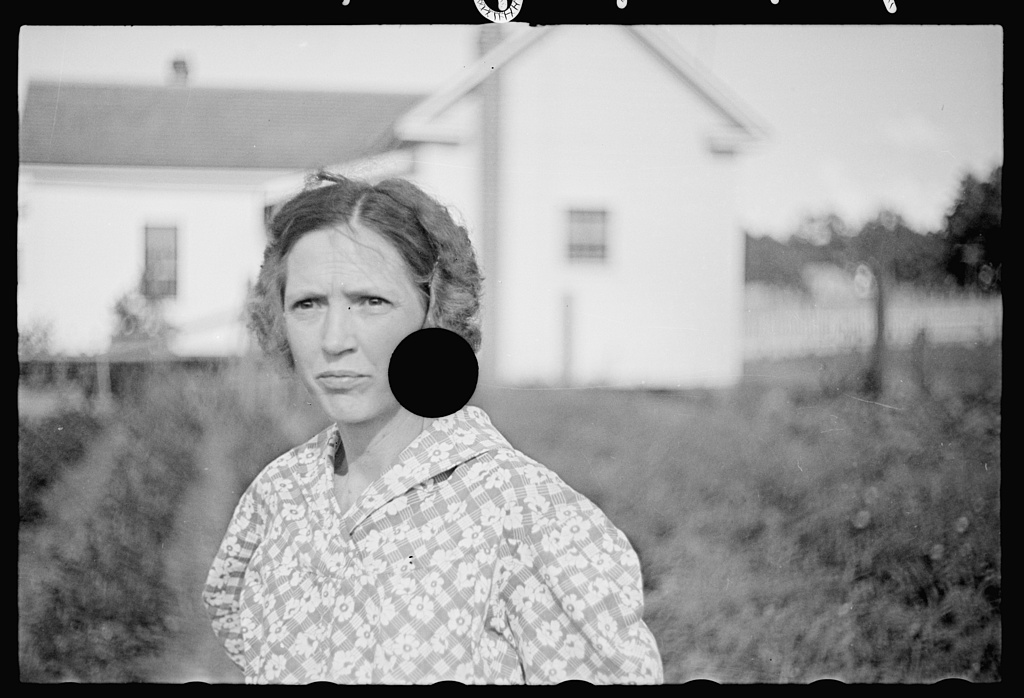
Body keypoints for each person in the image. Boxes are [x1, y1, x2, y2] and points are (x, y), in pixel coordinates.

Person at [202, 172, 664, 684]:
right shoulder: (276, 496)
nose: (334, 339)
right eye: (307, 304)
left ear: (435, 315)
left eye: (371, 302)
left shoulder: (526, 513)